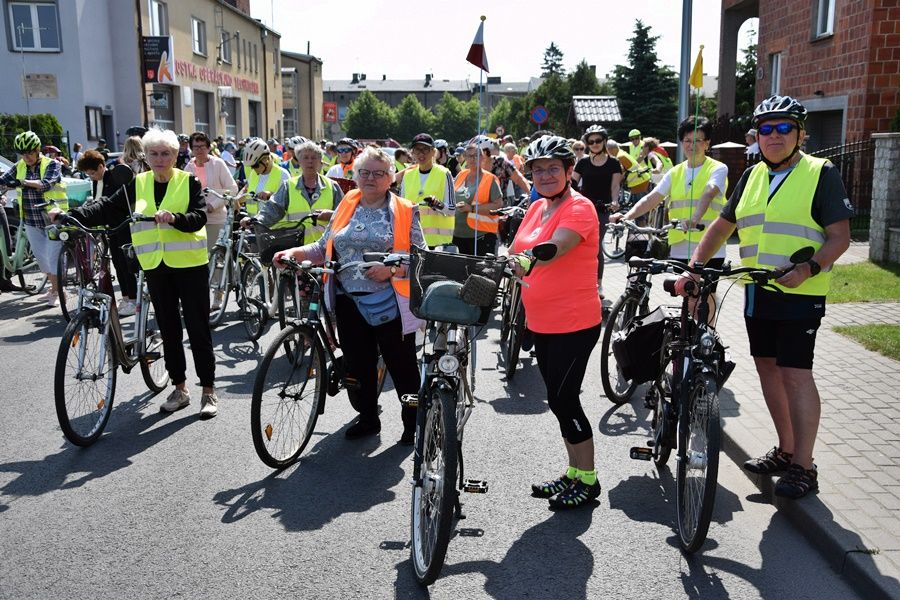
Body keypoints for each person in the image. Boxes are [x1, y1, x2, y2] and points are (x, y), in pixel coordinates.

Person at [684, 96, 853, 499]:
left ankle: (804, 466)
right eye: (766, 129)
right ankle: (785, 449)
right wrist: (694, 266)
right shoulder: (753, 175)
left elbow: (840, 237)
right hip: (758, 292)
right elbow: (723, 227)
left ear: (800, 134)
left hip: (801, 293)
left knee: (795, 374)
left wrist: (810, 268)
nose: (773, 136)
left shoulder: (820, 173)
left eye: (783, 128)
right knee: (767, 370)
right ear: (756, 136)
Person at [55, 128, 218, 418]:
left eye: (165, 153)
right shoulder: (137, 183)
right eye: (154, 153)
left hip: (190, 266)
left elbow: (199, 217)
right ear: (147, 156)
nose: (159, 158)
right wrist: (73, 215)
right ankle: (180, 389)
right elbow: (107, 206)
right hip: (156, 266)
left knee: (197, 329)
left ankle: (208, 390)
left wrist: (175, 218)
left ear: (175, 155)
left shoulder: (188, 181)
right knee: (169, 329)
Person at [273, 146, 425, 443]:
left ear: (390, 177)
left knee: (404, 369)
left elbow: (421, 256)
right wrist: (292, 252)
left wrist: (390, 270)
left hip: (391, 303)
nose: (370, 178)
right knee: (359, 365)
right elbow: (322, 247)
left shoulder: (405, 210)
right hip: (347, 300)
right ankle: (368, 418)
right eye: (364, 172)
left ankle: (413, 422)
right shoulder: (347, 204)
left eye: (378, 173)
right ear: (354, 175)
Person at [510, 135, 603, 509]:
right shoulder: (537, 208)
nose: (545, 175)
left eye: (553, 168)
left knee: (565, 400)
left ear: (569, 171)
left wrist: (531, 259)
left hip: (574, 323)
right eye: (538, 169)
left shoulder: (579, 208)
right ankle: (573, 473)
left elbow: (559, 245)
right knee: (557, 401)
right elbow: (516, 248)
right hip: (542, 321)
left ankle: (590, 480)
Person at [611, 116, 729, 277]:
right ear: (681, 143)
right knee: (685, 295)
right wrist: (627, 217)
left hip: (709, 244)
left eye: (698, 140)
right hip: (680, 243)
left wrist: (695, 218)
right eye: (687, 140)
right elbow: (651, 198)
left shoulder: (718, 168)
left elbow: (709, 192)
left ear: (707, 143)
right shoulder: (675, 172)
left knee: (702, 296)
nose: (691, 145)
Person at [0, 131, 66, 306]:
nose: (26, 157)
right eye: (22, 153)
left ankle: (58, 292)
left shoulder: (52, 164)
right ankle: (54, 290)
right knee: (42, 259)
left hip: (53, 218)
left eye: (29, 152)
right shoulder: (19, 166)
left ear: (37, 150)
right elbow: (3, 180)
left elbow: (45, 184)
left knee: (53, 258)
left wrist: (23, 182)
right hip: (31, 219)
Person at [75, 150, 138, 315]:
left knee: (126, 265)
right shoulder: (97, 181)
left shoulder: (116, 177)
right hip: (109, 228)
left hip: (123, 226)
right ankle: (125, 298)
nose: (92, 177)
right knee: (117, 264)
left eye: (93, 172)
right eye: (88, 174)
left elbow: (112, 203)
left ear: (102, 166)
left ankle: (133, 299)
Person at [245, 139, 342, 241]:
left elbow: (346, 215)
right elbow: (273, 209)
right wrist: (254, 221)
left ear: (320, 161)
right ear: (299, 161)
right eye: (305, 157)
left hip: (324, 249)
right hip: (295, 250)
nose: (310, 161)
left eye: (314, 157)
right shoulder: (288, 186)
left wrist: (332, 215)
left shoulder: (332, 186)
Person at [572, 125, 621, 298]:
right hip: (583, 208)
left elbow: (615, 186)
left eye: (598, 140)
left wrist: (615, 201)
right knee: (578, 244)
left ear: (604, 141)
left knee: (596, 245)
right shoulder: (583, 162)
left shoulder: (614, 163)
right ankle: (579, 279)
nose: (594, 144)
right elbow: (572, 183)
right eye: (591, 141)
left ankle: (598, 284)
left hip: (602, 210)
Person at [184, 131, 238, 252]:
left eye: (202, 147)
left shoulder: (218, 164)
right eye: (195, 147)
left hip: (216, 219)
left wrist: (213, 205)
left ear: (208, 148)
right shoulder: (189, 167)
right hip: (197, 220)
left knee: (215, 256)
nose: (199, 150)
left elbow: (232, 189)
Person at [399, 133, 455, 248]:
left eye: (425, 149)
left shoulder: (444, 173)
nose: (421, 154)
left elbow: (452, 209)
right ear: (412, 153)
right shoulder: (407, 175)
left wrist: (437, 204)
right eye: (417, 150)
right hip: (412, 241)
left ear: (433, 152)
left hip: (437, 243)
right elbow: (402, 208)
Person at [452, 141, 503, 256]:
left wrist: (471, 208)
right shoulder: (461, 175)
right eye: (470, 156)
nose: (474, 159)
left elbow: (498, 205)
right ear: (464, 157)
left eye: (477, 155)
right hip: (458, 235)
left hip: (481, 236)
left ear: (483, 158)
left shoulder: (490, 179)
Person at [240, 138, 290, 218]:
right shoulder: (254, 173)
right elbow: (246, 189)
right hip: (254, 225)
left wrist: (271, 195)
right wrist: (236, 199)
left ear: (266, 160)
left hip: (274, 227)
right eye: (251, 166)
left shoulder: (283, 175)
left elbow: (288, 201)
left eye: (255, 165)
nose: (253, 169)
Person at [607, 138, 652, 206]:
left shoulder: (620, 157)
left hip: (639, 183)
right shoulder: (622, 153)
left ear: (610, 149)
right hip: (640, 181)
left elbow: (620, 175)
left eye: (606, 151)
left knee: (640, 209)